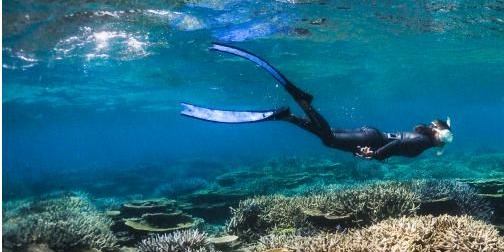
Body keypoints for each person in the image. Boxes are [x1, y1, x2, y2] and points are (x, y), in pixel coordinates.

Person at [181, 43, 454, 161]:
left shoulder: (422, 137)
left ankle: (289, 116)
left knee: (328, 136)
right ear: (438, 139)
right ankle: (304, 103)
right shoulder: (421, 144)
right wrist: (376, 156)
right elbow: (396, 145)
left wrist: (377, 154)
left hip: (372, 133)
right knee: (328, 139)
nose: (442, 143)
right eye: (444, 140)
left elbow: (396, 143)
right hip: (372, 139)